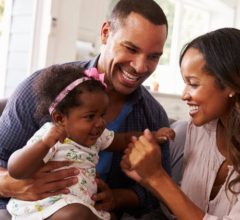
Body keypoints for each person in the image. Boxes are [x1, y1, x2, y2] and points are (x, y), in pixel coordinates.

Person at [0, 0, 170, 218]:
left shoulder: (153, 116)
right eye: (131, 48)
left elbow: (159, 194)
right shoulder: (42, 90)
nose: (140, 66)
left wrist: (118, 197)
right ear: (106, 33)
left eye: (153, 56)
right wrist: (12, 184)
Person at [121, 27, 240, 220]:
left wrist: (157, 177)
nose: (184, 95)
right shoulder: (201, 128)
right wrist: (148, 179)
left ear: (231, 84)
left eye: (193, 84)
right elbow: (187, 210)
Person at [5, 64, 175, 220]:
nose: (100, 122)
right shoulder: (51, 137)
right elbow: (16, 169)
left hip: (82, 204)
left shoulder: (97, 137)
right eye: (90, 116)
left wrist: (152, 135)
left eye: (102, 115)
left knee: (109, 216)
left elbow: (123, 139)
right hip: (47, 208)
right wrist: (44, 144)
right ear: (60, 118)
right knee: (76, 214)